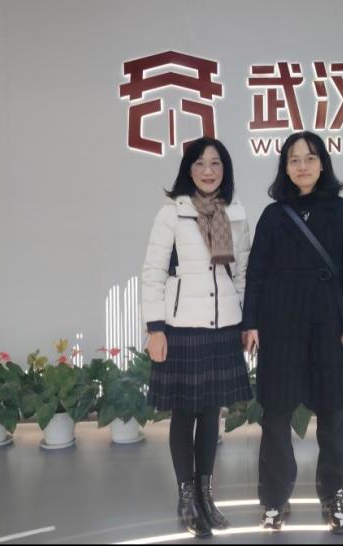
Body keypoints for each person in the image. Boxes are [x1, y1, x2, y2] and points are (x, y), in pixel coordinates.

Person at [242, 131, 343, 535]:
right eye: (294, 159)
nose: (302, 166)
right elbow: (256, 273)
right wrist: (251, 323)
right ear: (285, 167)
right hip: (280, 325)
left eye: (310, 158)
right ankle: (274, 500)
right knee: (276, 417)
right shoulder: (273, 215)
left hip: (329, 324)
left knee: (333, 415)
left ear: (322, 164)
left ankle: (334, 496)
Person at [141, 137, 253, 538]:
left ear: (226, 170)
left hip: (223, 328)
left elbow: (242, 273)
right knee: (184, 414)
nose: (208, 171)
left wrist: (245, 322)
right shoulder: (172, 213)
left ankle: (206, 495)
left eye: (216, 163)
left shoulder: (235, 213)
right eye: (200, 163)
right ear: (188, 169)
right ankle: (186, 495)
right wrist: (155, 328)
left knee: (210, 414)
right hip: (182, 326)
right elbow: (153, 271)